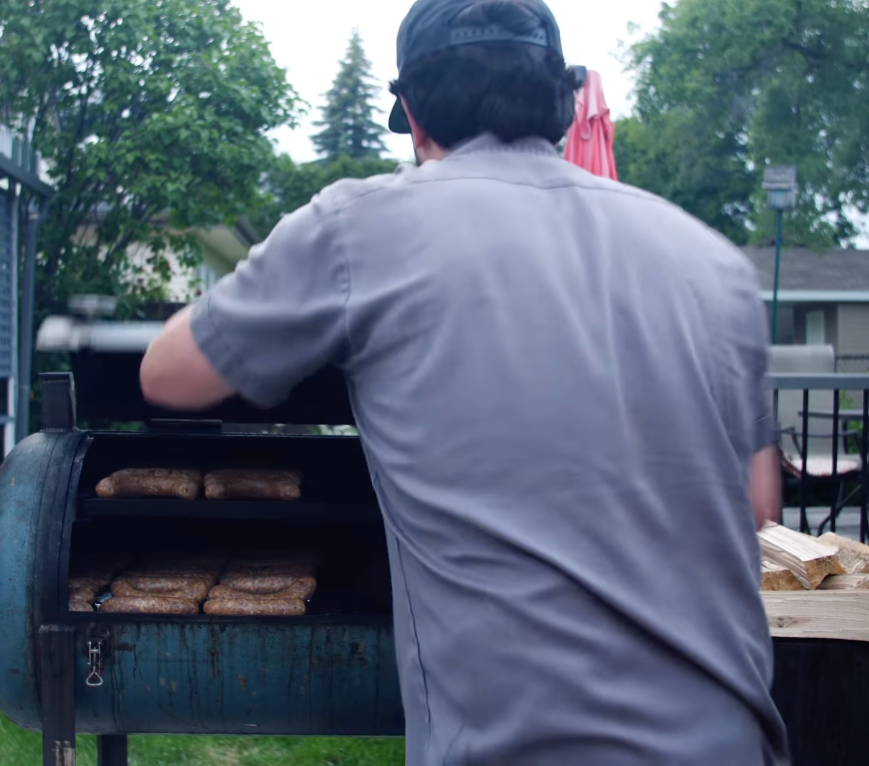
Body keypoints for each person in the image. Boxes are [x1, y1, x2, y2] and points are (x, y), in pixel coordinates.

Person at [138, 0, 788, 762]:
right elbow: (759, 503)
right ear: (566, 100)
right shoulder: (712, 262)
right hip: (727, 742)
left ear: (413, 114)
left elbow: (169, 375)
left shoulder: (360, 227)